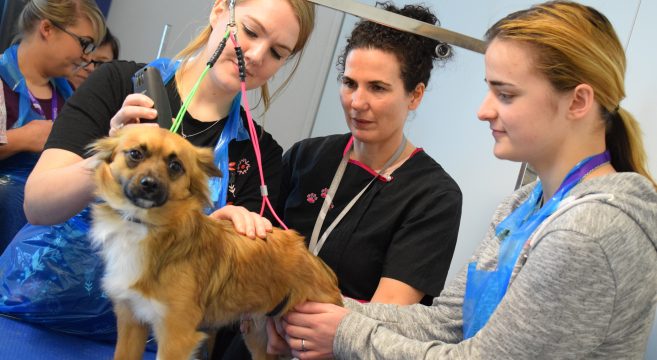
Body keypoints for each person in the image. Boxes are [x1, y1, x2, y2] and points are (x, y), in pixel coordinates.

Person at [268, 1, 657, 359]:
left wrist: (344, 333)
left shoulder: (587, 233)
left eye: (505, 94)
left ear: (577, 101)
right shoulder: (522, 205)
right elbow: (448, 324)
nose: (483, 111)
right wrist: (300, 305)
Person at [0, 0, 315, 341]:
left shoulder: (257, 155)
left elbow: (210, 296)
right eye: (251, 32)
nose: (255, 55)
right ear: (220, 10)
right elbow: (38, 205)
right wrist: (111, 158)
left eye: (277, 52)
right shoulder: (120, 85)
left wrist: (216, 243)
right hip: (36, 317)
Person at [212, 3, 462, 359]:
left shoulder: (433, 196)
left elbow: (388, 317)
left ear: (415, 95)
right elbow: (255, 259)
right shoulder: (306, 157)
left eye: (377, 88)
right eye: (349, 83)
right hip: (256, 344)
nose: (357, 102)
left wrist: (284, 312)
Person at [0, 0, 105, 249]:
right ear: (47, 29)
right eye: (84, 43)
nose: (86, 57)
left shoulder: (67, 94)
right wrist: (23, 139)